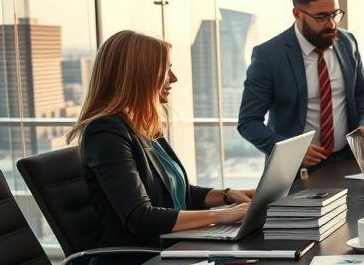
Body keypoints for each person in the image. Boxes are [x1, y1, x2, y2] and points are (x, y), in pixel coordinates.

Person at [67, 31, 254, 252]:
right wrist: (222, 216)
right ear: (140, 75)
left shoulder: (144, 125)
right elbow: (140, 217)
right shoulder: (105, 133)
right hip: (141, 260)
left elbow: (178, 193)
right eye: (166, 70)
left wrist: (227, 195)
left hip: (174, 246)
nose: (173, 78)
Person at [238, 0, 364, 169]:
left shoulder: (348, 42)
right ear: (297, 14)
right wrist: (291, 152)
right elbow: (248, 122)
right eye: (321, 17)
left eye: (335, 14)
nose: (331, 24)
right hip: (296, 168)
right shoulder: (268, 56)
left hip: (350, 160)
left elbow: (363, 92)